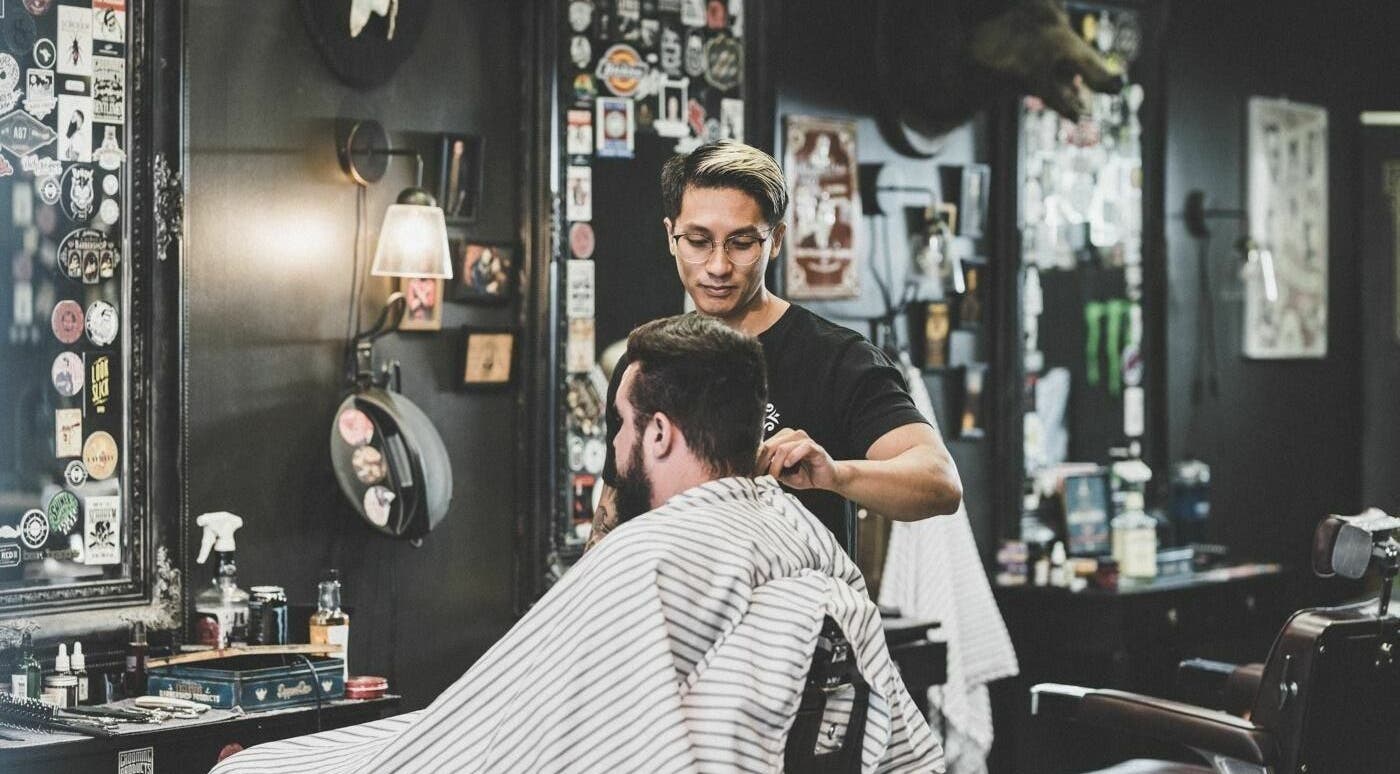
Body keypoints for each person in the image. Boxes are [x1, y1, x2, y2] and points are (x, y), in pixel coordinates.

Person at [209, 314, 942, 773]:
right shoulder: (799, 535)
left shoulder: (651, 556)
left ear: (660, 434)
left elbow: (530, 742)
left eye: (621, 424)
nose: (617, 444)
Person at [591, 140, 962, 552]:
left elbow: (940, 482)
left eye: (742, 243)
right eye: (698, 241)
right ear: (670, 236)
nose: (718, 266)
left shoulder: (838, 360)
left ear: (777, 240)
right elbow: (611, 514)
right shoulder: (645, 365)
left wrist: (836, 475)